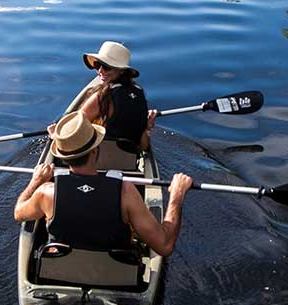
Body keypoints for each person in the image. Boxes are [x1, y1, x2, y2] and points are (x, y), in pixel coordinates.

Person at [13, 110, 192, 257]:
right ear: (95, 150)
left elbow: (18, 213)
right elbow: (165, 246)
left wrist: (36, 180)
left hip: (59, 273)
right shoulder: (125, 192)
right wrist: (177, 195)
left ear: (64, 158)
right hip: (118, 277)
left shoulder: (46, 193)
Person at [75, 40, 157, 165]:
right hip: (128, 160)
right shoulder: (139, 93)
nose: (100, 71)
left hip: (99, 160)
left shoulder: (102, 96)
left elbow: (75, 126)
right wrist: (147, 126)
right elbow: (143, 144)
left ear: (121, 70)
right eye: (98, 65)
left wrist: (55, 134)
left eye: (106, 67)